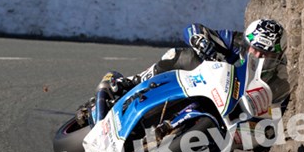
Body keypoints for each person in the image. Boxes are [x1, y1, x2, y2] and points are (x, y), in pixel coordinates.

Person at [83, 19, 290, 126]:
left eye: (265, 54)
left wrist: (263, 129)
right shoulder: (233, 41)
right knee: (183, 56)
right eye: (253, 48)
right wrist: (200, 40)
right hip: (199, 83)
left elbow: (276, 114)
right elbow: (194, 28)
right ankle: (133, 82)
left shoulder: (279, 80)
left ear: (277, 56)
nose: (256, 55)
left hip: (228, 119)